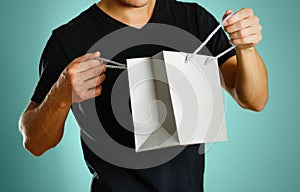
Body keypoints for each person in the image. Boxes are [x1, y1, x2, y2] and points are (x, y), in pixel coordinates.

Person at [19, 0, 268, 191]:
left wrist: (246, 48)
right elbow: (35, 142)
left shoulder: (193, 19)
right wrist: (61, 94)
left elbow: (253, 99)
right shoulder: (69, 39)